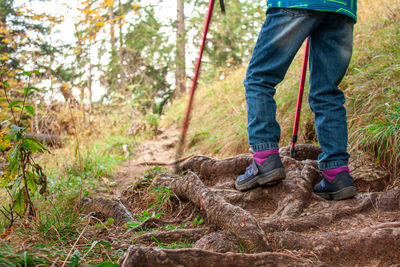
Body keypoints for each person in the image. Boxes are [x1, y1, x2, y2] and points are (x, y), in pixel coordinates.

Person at [235, 0, 358, 201]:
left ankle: (264, 159)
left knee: (259, 79)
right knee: (327, 92)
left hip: (295, 4)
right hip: (342, 7)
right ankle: (337, 175)